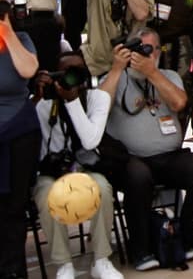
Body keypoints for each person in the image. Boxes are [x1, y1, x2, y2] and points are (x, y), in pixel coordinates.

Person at [99, 28, 193, 270]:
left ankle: (182, 238)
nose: (143, 54)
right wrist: (117, 68)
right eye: (138, 49)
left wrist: (151, 72)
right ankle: (141, 249)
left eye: (149, 49)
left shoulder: (168, 75)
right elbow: (100, 109)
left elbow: (179, 103)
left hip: (169, 156)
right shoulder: (115, 76)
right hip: (130, 159)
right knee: (138, 177)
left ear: (159, 52)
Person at [32, 51, 124, 279]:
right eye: (65, 73)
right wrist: (36, 97)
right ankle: (64, 264)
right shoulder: (43, 101)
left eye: (77, 72)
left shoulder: (98, 98)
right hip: (51, 171)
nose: (71, 79)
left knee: (102, 189)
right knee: (45, 196)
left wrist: (72, 100)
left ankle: (101, 259)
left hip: (86, 168)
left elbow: (90, 140)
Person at [0, 0, 39, 279]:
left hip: (19, 131)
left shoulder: (21, 37)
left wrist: (8, 30)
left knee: (14, 206)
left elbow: (28, 70)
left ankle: (14, 271)